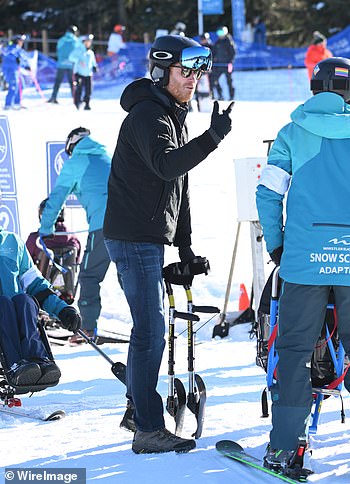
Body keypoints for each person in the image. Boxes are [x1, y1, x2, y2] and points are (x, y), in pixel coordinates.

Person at [256, 57, 350, 471]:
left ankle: (286, 444)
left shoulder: (289, 135)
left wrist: (278, 246)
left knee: (293, 349)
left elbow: (268, 195)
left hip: (303, 261)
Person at [103, 34, 233, 454]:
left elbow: (180, 184)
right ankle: (146, 426)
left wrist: (185, 245)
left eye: (197, 71)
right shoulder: (148, 116)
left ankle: (136, 408)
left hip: (147, 236)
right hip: (133, 237)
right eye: (185, 71)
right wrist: (212, 138)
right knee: (151, 332)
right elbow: (166, 166)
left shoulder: (171, 115)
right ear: (161, 73)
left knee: (149, 330)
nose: (193, 79)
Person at [0, 188, 81, 389]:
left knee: (25, 301)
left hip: (10, 312)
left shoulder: (12, 242)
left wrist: (63, 309)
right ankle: (15, 364)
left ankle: (37, 359)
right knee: (3, 304)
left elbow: (36, 284)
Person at [39, 127, 111, 343]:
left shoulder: (76, 161)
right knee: (129, 277)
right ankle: (145, 325)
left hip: (103, 227)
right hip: (131, 223)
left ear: (72, 145)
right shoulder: (106, 156)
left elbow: (57, 197)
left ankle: (87, 329)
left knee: (89, 276)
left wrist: (46, 229)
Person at [27, 200, 82, 304]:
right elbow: (76, 262)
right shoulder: (74, 240)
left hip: (41, 295)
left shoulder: (35, 240)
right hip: (67, 294)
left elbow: (26, 264)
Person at [48, 26, 80, 104]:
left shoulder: (61, 40)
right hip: (71, 65)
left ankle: (53, 97)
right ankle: (75, 98)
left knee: (58, 82)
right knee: (72, 82)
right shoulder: (75, 40)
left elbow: (58, 50)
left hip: (61, 64)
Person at [69, 34, 98, 110]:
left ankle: (87, 104)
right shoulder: (78, 50)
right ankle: (77, 102)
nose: (88, 43)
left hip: (88, 74)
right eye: (86, 42)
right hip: (79, 73)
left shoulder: (90, 52)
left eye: (89, 42)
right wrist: (78, 60)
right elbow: (71, 57)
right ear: (83, 42)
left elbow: (93, 61)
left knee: (89, 90)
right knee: (79, 88)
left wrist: (95, 66)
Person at [2, 34, 29, 110]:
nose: (22, 42)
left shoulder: (18, 49)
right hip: (11, 70)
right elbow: (9, 55)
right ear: (18, 41)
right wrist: (16, 59)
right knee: (14, 86)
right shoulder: (11, 48)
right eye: (21, 41)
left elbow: (22, 58)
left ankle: (17, 102)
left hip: (16, 70)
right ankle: (8, 104)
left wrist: (26, 66)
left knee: (21, 85)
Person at [211, 26, 236, 100]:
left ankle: (231, 96)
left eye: (221, 33)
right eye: (219, 33)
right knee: (213, 80)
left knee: (229, 81)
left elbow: (233, 53)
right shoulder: (217, 42)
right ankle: (220, 95)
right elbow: (213, 52)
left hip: (227, 65)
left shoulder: (228, 41)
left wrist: (230, 62)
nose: (220, 35)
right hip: (218, 65)